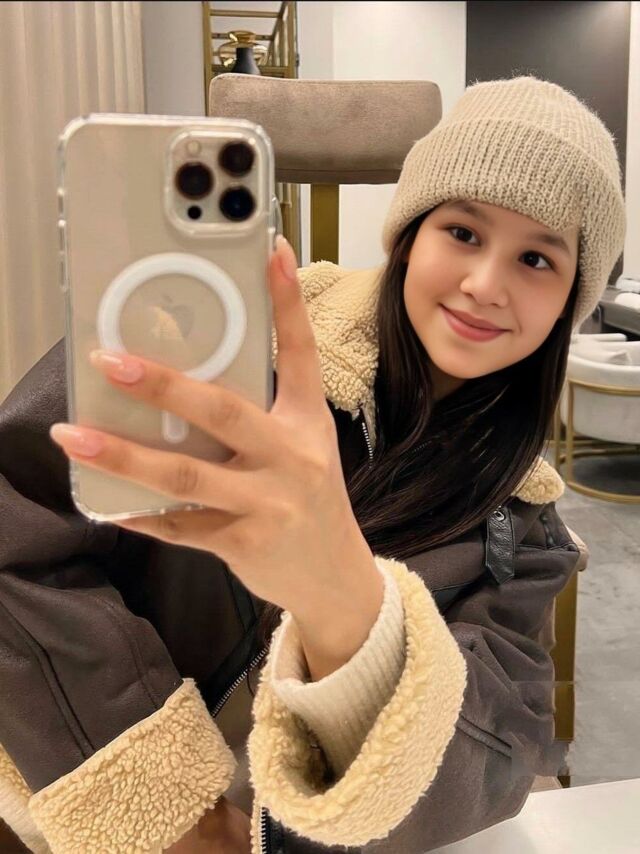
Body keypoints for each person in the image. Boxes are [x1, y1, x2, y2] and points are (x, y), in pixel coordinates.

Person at [0, 74, 625, 854]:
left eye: (536, 259)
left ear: (571, 300)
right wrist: (169, 811)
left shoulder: (524, 532)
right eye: (464, 232)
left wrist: (346, 604)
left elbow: (490, 758)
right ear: (410, 232)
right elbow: (15, 530)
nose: (484, 285)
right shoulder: (229, 342)